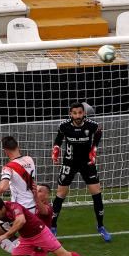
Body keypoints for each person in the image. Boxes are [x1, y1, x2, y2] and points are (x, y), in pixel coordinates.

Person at [51, 102, 111, 241]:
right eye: (75, 113)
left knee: (97, 193)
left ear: (84, 113)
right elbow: (58, 141)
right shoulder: (64, 126)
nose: (77, 116)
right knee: (60, 194)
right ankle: (53, 226)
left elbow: (98, 133)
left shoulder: (92, 125)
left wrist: (94, 148)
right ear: (70, 114)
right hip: (69, 163)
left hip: (87, 163)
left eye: (80, 113)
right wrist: (55, 152)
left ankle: (101, 226)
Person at [0, 135, 37, 213]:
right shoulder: (29, 159)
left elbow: (3, 187)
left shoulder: (8, 168)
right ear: (18, 147)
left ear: (5, 151)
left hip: (20, 207)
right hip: (33, 204)